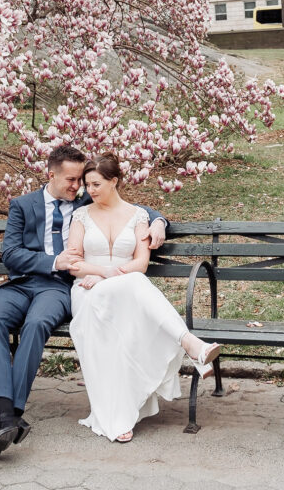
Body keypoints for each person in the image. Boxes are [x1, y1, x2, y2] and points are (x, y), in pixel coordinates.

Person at [0, 144, 169, 459]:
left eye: (81, 180)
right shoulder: (23, 205)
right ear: (50, 174)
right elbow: (10, 255)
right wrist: (54, 261)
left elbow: (132, 208)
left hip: (56, 290)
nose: (77, 186)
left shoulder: (83, 202)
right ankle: (6, 414)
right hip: (20, 284)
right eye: (70, 179)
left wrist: (159, 222)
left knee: (37, 324)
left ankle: (8, 415)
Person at [68, 153, 220, 443]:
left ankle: (187, 348)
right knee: (135, 283)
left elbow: (140, 263)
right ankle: (190, 343)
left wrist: (106, 275)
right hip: (88, 292)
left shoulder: (138, 216)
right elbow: (74, 264)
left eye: (97, 184)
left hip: (125, 292)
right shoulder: (81, 216)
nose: (90, 191)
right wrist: (100, 274)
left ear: (115, 181)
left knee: (135, 281)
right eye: (87, 185)